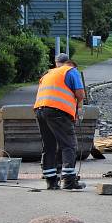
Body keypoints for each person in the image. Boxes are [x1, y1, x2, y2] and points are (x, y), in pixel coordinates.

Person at [34, 53, 86, 190]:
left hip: (40, 110)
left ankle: (51, 182)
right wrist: (79, 107)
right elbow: (80, 94)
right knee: (69, 145)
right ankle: (69, 181)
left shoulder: (47, 74)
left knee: (49, 145)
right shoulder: (71, 71)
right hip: (57, 111)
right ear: (70, 63)